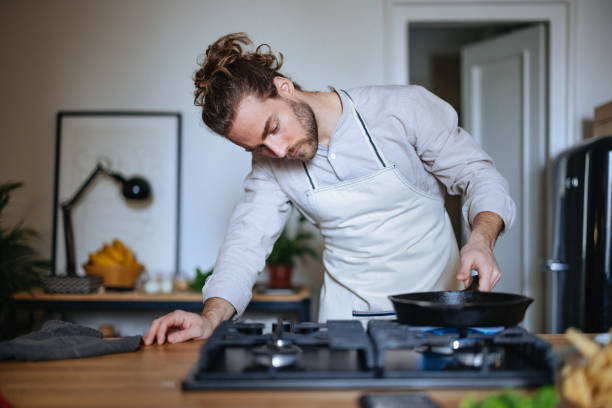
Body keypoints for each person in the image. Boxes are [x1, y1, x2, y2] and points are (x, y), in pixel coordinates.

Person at [143, 32, 515, 345]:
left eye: (272, 128)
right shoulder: (270, 165)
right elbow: (245, 246)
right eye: (256, 146)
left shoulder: (399, 109)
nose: (275, 151)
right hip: (346, 326)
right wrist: (209, 319)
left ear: (284, 88)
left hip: (438, 314)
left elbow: (478, 175)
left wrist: (481, 240)